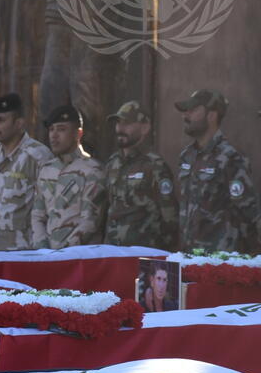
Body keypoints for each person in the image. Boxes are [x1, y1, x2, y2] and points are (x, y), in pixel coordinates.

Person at [176, 90, 260, 254]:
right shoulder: (187, 156)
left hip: (220, 258)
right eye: (185, 111)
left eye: (192, 110)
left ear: (212, 115)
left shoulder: (230, 157)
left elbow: (248, 211)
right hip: (189, 254)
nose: (185, 116)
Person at [103, 101, 179, 251]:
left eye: (127, 124)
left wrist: (162, 252)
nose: (120, 129)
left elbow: (169, 216)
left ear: (145, 127)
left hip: (144, 252)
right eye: (118, 123)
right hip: (113, 252)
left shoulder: (154, 165)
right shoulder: (112, 164)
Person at [31, 105, 106, 249]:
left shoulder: (92, 170)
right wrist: (43, 248)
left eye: (61, 129)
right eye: (51, 129)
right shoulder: (47, 170)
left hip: (79, 258)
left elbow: (90, 221)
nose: (54, 135)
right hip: (47, 257)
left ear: (78, 134)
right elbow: (37, 216)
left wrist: (63, 253)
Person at [0, 93, 53, 250]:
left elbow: (48, 208)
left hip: (22, 251)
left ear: (19, 124)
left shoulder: (37, 155)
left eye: (0, 120)